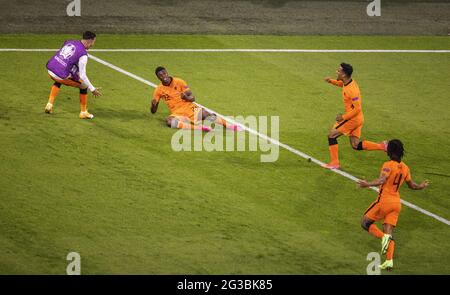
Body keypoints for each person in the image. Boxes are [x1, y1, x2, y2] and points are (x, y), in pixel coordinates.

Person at [358, 139, 429, 271]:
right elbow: (412, 185)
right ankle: (389, 261)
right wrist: (422, 186)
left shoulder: (388, 164)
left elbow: (382, 180)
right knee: (388, 230)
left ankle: (383, 238)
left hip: (384, 201)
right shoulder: (406, 167)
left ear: (390, 151)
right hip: (396, 203)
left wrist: (367, 184)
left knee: (365, 223)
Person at [323, 63, 386, 169]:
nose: (336, 72)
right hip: (358, 119)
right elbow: (341, 84)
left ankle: (334, 163)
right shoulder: (347, 82)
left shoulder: (352, 90)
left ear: (344, 74)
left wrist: (343, 117)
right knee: (355, 145)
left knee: (332, 135)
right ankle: (382, 146)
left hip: (353, 119)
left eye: (339, 71)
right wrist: (331, 81)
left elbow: (357, 109)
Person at [151, 66, 239, 131]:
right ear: (158, 77)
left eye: (164, 73)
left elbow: (192, 98)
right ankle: (199, 128)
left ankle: (229, 126)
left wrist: (186, 97)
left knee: (206, 114)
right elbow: (153, 111)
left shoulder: (179, 81)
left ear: (167, 72)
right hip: (177, 112)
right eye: (160, 75)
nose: (163, 76)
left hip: (189, 107)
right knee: (169, 121)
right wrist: (153, 105)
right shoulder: (158, 90)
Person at [45, 31, 102, 119]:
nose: (93, 45)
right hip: (59, 75)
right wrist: (93, 89)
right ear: (90, 41)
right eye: (94, 42)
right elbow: (83, 75)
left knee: (61, 76)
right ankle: (83, 112)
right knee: (84, 86)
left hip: (50, 68)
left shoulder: (69, 42)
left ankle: (49, 104)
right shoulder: (83, 55)